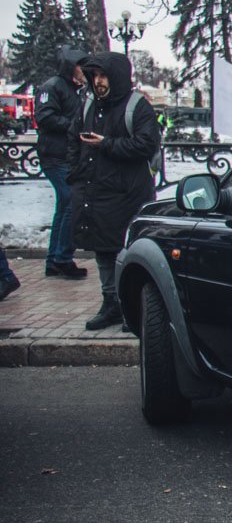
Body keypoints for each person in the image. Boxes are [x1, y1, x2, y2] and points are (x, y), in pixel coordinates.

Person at [68, 52, 161, 330]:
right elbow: (73, 139)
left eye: (103, 75)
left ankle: (128, 305)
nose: (98, 81)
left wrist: (106, 143)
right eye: (94, 76)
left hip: (127, 193)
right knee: (102, 250)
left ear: (117, 77)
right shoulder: (89, 106)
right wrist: (74, 174)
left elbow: (146, 145)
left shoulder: (137, 107)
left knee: (125, 249)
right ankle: (111, 304)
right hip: (94, 190)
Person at [34, 46, 89, 279]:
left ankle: (54, 261)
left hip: (64, 156)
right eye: (80, 67)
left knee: (64, 205)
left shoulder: (77, 90)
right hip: (55, 156)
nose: (84, 71)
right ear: (70, 67)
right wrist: (76, 126)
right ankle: (62, 258)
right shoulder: (52, 87)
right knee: (70, 202)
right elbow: (45, 117)